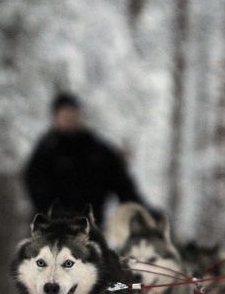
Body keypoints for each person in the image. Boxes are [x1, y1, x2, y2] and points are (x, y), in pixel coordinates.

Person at [23, 93, 146, 224]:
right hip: (51, 229)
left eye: (73, 114)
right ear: (55, 117)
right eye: (65, 115)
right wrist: (54, 213)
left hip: (89, 229)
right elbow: (35, 187)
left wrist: (140, 212)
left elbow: (122, 184)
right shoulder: (45, 151)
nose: (70, 119)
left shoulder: (96, 150)